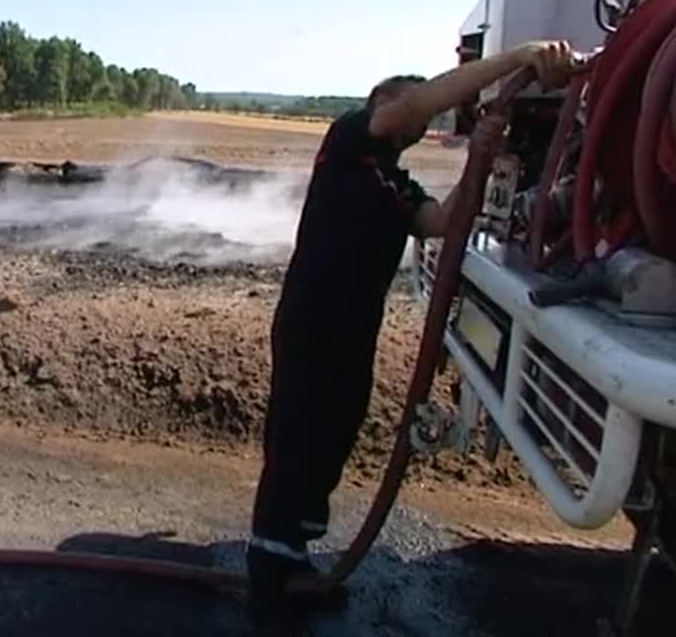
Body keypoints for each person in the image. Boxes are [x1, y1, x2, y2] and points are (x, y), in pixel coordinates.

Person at [246, 40, 576, 624]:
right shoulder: (347, 141)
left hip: (353, 331)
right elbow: (417, 101)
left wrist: (482, 158)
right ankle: (271, 570)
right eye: (411, 107)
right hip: (311, 321)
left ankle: (293, 549)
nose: (421, 119)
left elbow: (445, 222)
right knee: (299, 433)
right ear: (381, 105)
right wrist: (516, 58)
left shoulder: (399, 189)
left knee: (334, 432)